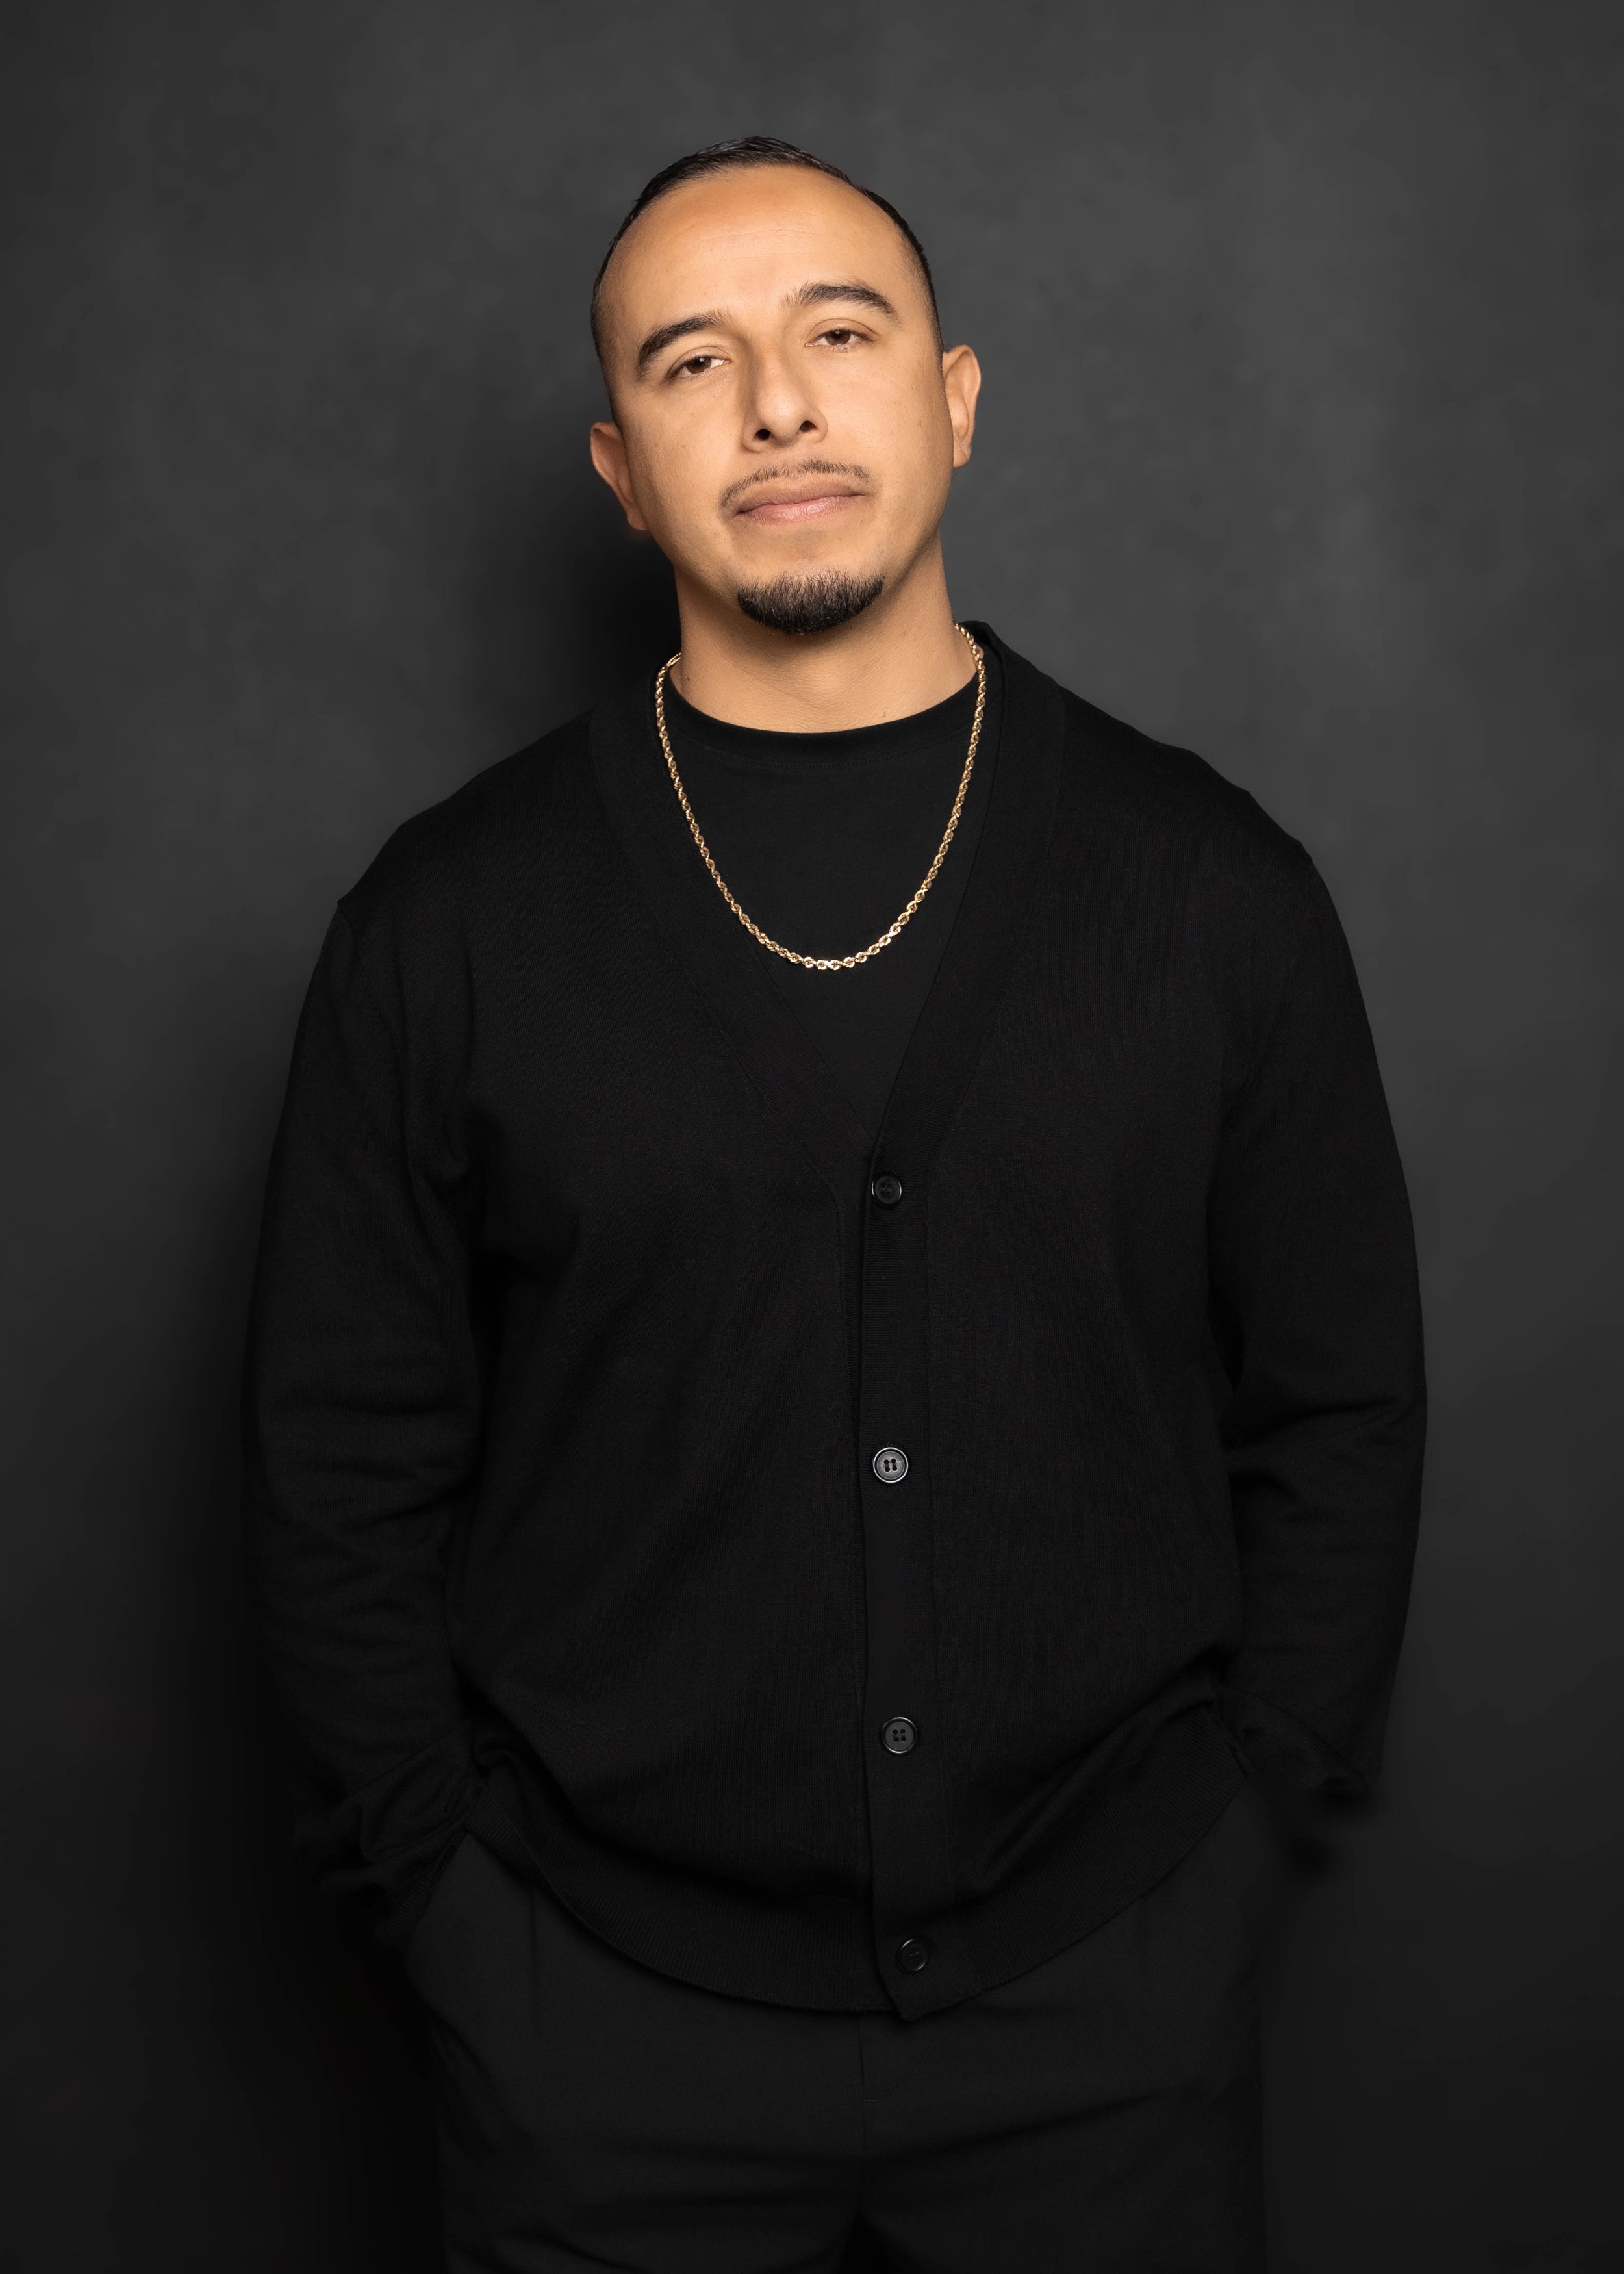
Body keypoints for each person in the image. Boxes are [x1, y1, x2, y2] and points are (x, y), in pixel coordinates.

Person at [243, 136, 1426, 2273]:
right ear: (621, 467)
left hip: (1107, 2018)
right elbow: (336, 1459)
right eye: (693, 361)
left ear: (953, 399)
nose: (776, 400)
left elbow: (1340, 1404)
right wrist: (446, 1902)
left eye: (838, 334)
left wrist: (1244, 1831)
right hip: (595, 2035)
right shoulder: (448, 923)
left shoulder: (1213, 890)